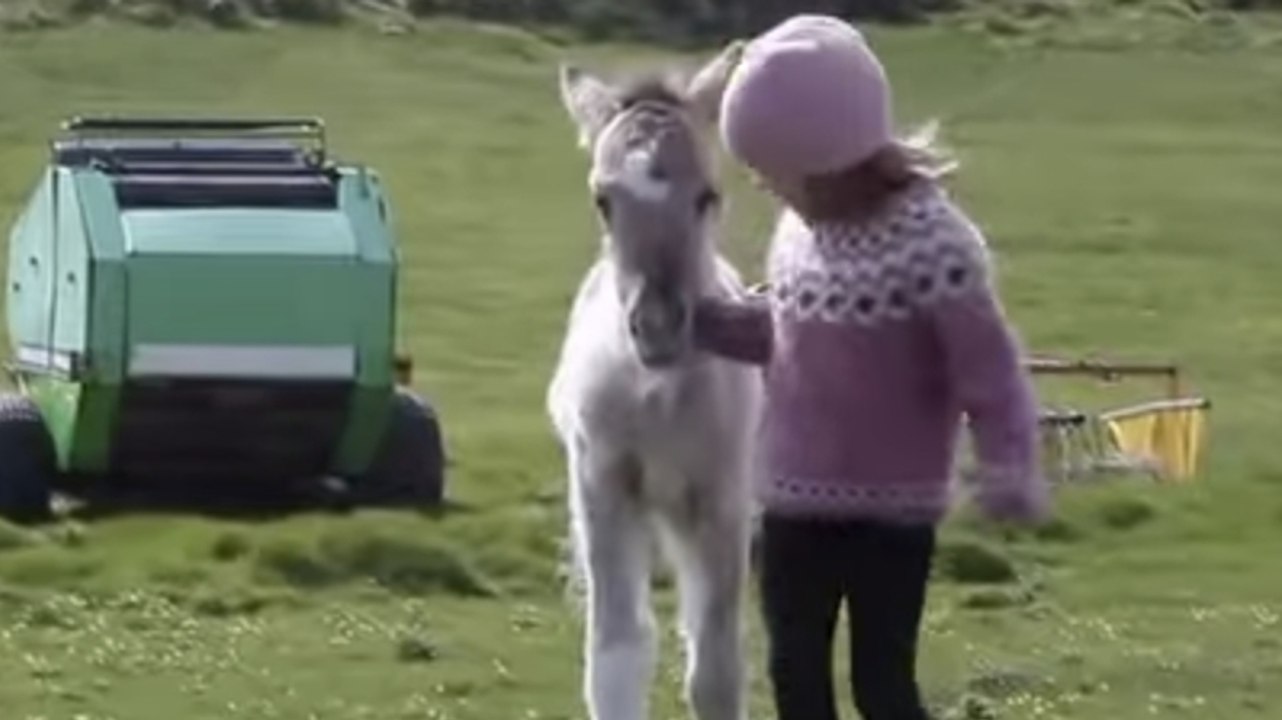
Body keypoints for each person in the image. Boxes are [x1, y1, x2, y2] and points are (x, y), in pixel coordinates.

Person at [693, 14, 1052, 720]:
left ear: (827, 159)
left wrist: (1008, 467)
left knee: (882, 687)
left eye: (771, 169)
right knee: (795, 676)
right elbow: (791, 337)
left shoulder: (934, 247)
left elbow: (991, 372)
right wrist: (700, 326)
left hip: (891, 516)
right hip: (791, 502)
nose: (763, 186)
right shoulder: (799, 235)